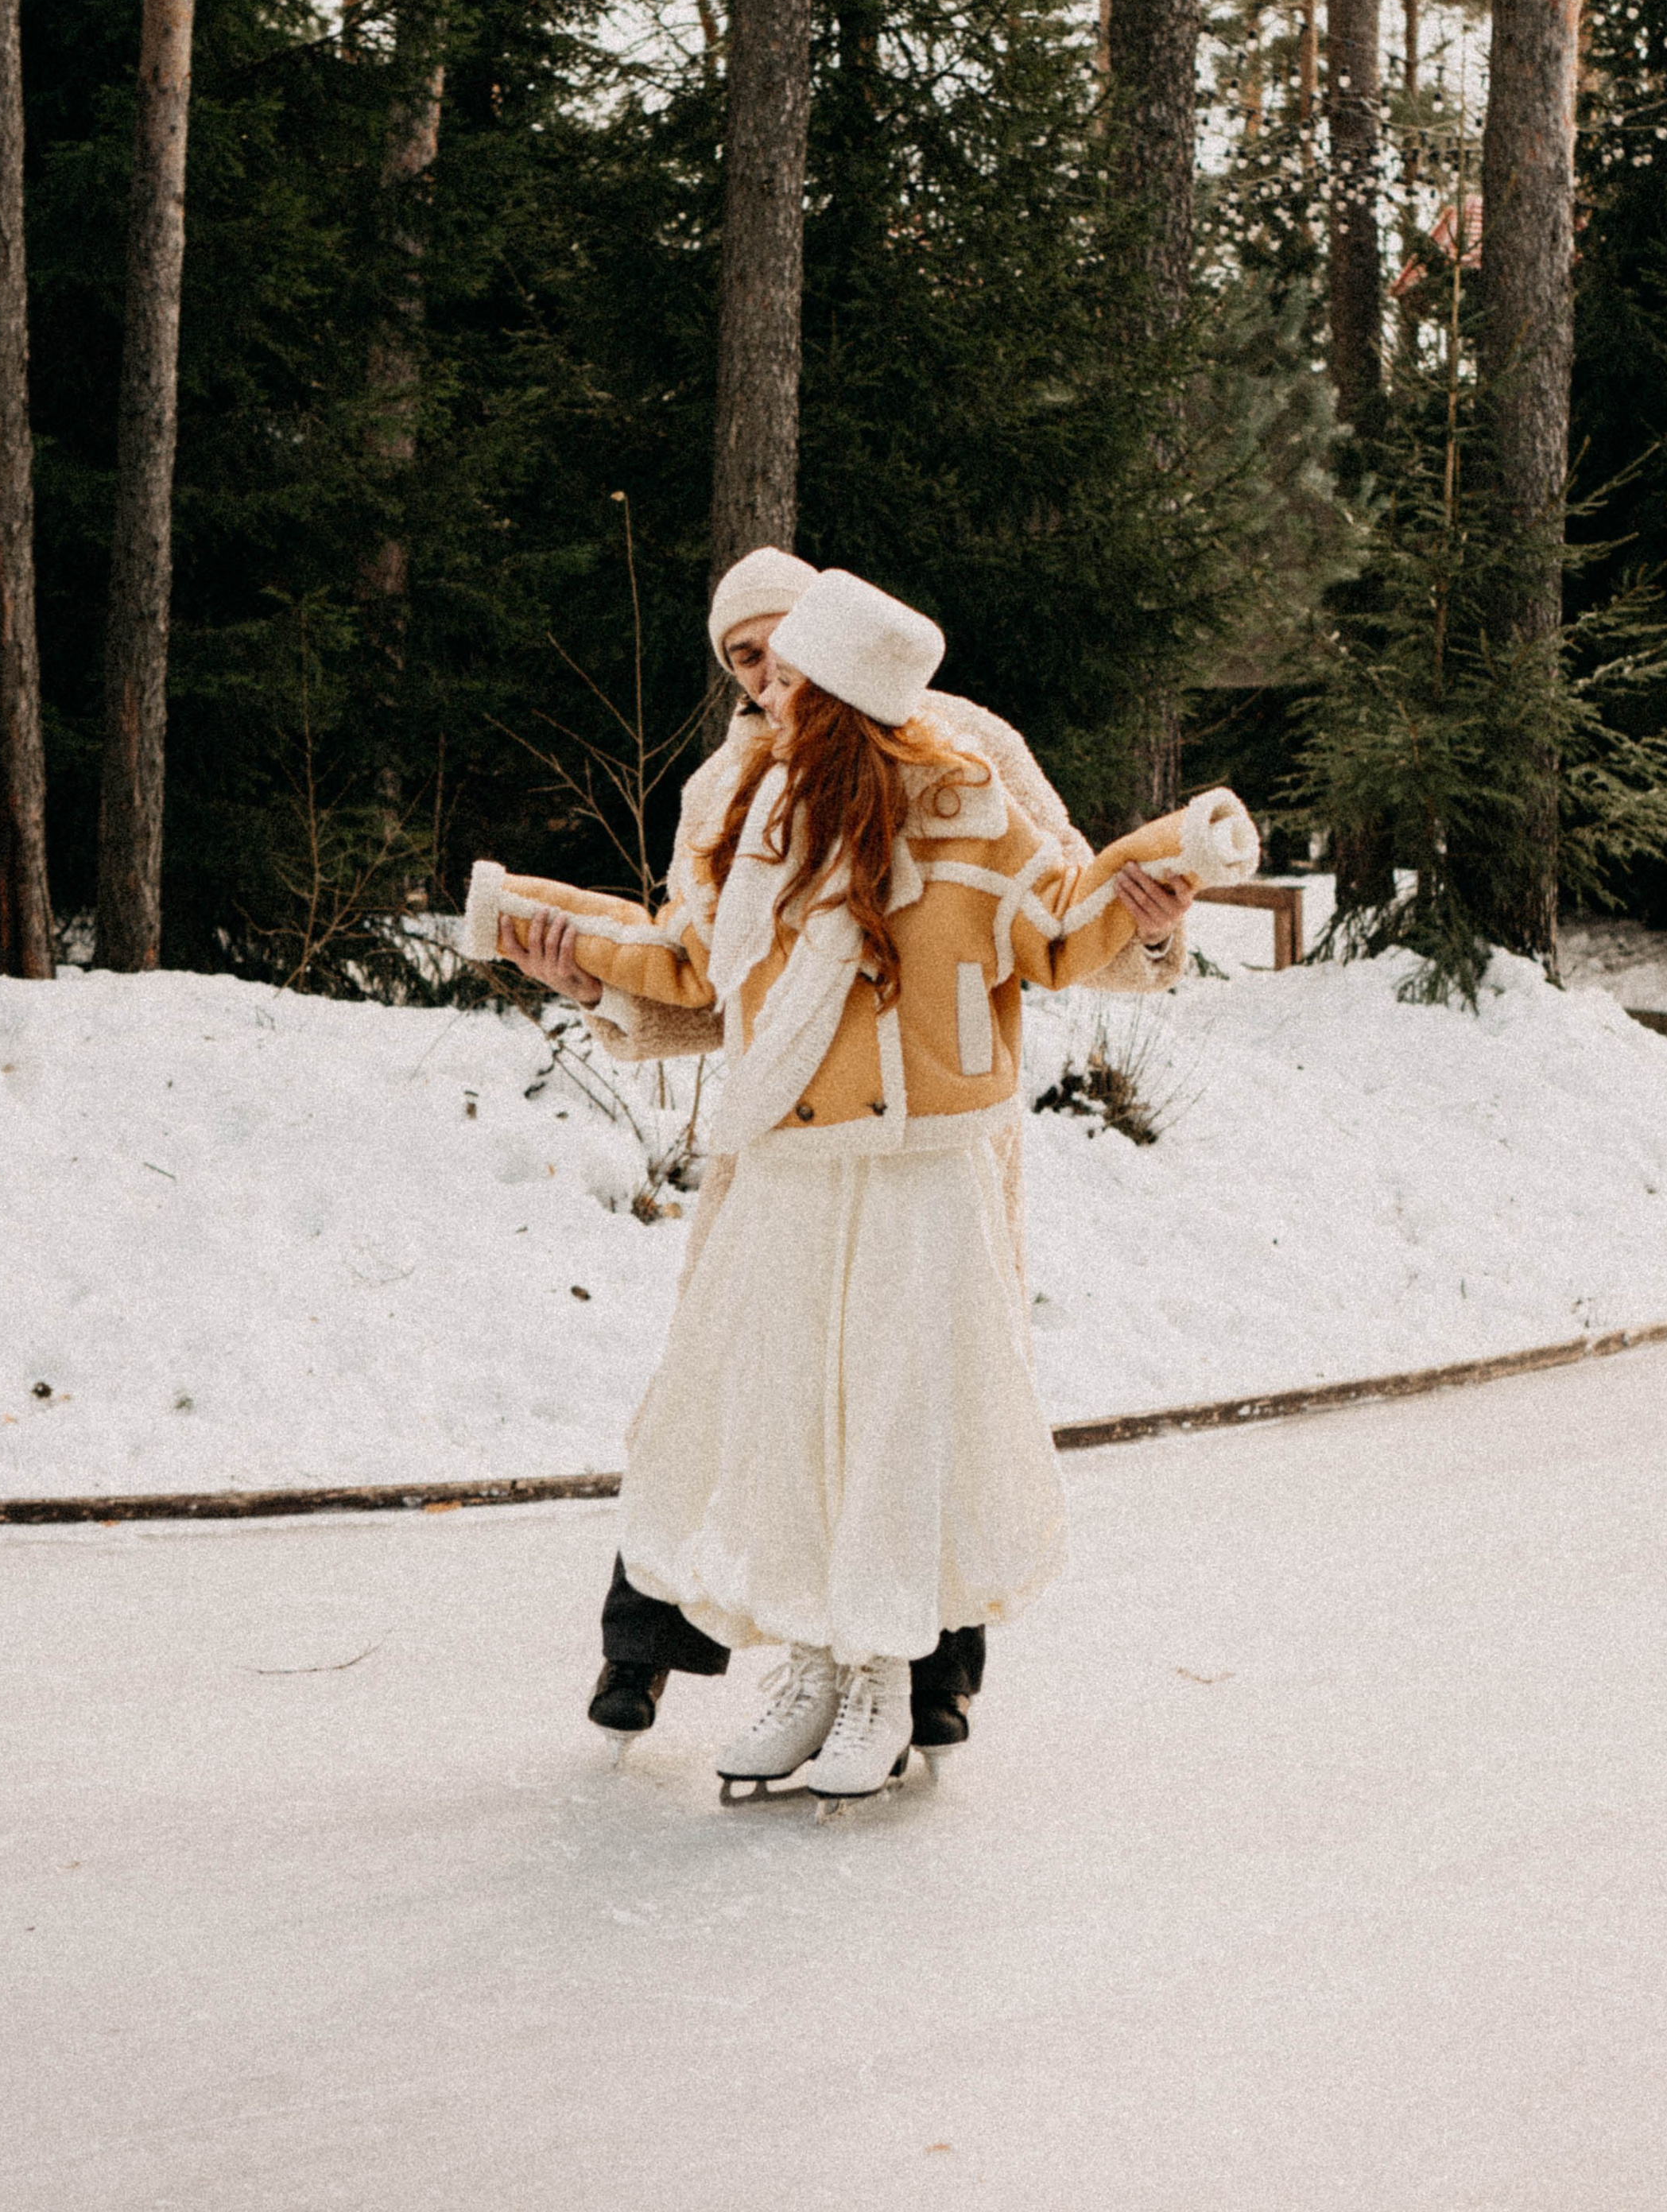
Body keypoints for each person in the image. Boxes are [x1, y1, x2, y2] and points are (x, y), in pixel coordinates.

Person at [470, 566, 1257, 1804]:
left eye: (775, 650)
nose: (759, 676)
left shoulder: (968, 759)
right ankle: (784, 1664)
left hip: (930, 1144)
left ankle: (911, 1678)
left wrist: (1156, 905)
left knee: (908, 1405)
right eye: (738, 659)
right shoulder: (731, 797)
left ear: (828, 641)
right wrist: (578, 968)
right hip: (782, 1146)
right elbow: (708, 980)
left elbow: (1062, 917)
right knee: (783, 1406)